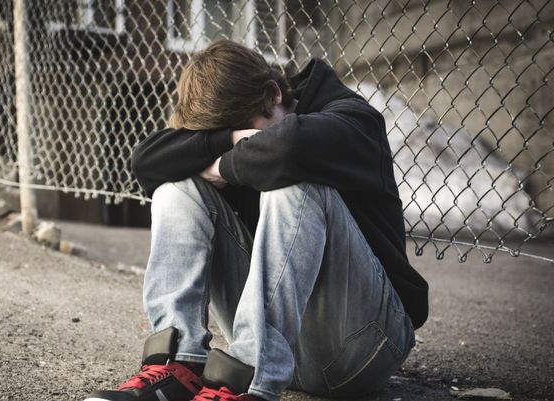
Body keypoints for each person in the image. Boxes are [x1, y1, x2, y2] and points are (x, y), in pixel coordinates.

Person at [84, 40, 429, 401]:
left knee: (292, 184)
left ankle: (247, 380)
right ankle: (179, 366)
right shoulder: (236, 128)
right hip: (284, 351)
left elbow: (291, 146)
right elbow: (145, 160)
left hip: (365, 345)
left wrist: (222, 165)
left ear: (273, 93)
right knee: (176, 188)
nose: (245, 149)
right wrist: (229, 138)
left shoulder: (352, 118)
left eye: (251, 137)